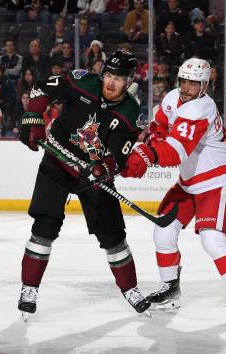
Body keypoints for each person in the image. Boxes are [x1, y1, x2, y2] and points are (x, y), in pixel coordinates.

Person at [120, 57, 226, 319]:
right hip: (189, 181)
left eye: (193, 83)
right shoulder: (173, 98)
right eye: (183, 80)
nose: (185, 87)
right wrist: (153, 139)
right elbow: (159, 125)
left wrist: (147, 154)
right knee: (163, 230)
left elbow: (175, 153)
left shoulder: (200, 109)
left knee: (211, 238)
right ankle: (170, 289)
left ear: (204, 86)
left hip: (216, 179)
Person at [16, 51, 151, 318]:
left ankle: (131, 289)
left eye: (119, 78)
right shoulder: (83, 82)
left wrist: (104, 169)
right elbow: (41, 88)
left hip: (91, 175)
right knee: (44, 226)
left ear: (130, 81)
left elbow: (118, 156)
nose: (111, 83)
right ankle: (28, 289)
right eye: (109, 76)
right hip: (57, 160)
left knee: (113, 235)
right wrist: (33, 116)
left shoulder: (130, 114)